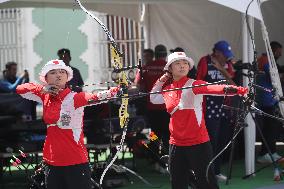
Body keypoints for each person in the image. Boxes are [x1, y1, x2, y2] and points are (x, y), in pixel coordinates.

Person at [16, 59, 120, 189]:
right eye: (53, 72)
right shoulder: (44, 96)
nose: (58, 75)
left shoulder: (75, 97)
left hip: (75, 161)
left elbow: (98, 96)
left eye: (62, 72)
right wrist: (43, 89)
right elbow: (20, 89)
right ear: (46, 78)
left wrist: (118, 90)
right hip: (51, 161)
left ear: (67, 77)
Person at [150, 52, 248, 189]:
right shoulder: (167, 90)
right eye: (177, 63)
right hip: (176, 144)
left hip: (198, 143)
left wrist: (238, 90)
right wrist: (162, 79)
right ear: (170, 69)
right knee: (177, 182)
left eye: (185, 63)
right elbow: (153, 98)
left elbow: (214, 88)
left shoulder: (194, 84)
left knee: (206, 182)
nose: (182, 66)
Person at [196, 40, 236, 181]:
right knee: (210, 142)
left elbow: (233, 84)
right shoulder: (205, 61)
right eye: (225, 55)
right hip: (208, 108)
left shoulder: (227, 64)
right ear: (217, 53)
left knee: (222, 141)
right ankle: (207, 173)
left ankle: (217, 171)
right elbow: (198, 83)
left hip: (224, 109)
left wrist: (221, 68)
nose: (227, 58)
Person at [135, 44, 170, 173]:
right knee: (167, 135)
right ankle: (167, 162)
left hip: (151, 108)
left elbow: (138, 86)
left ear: (155, 54)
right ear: (165, 54)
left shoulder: (146, 67)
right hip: (167, 108)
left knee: (154, 135)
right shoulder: (169, 67)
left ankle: (156, 161)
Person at [256, 41, 283, 163]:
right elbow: (273, 74)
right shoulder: (265, 60)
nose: (280, 54)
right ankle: (264, 154)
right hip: (266, 100)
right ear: (272, 50)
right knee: (269, 127)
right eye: (278, 51)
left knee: (273, 127)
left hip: (271, 99)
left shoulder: (268, 60)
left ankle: (271, 152)